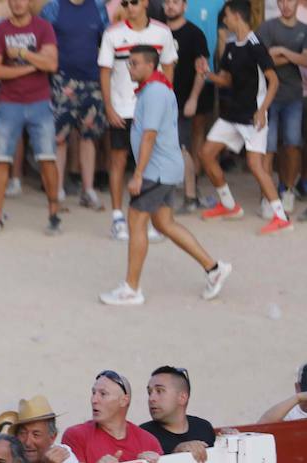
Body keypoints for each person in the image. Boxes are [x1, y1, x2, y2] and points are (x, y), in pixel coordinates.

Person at [99, 44, 230, 306]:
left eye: (134, 63)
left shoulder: (156, 92)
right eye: (129, 62)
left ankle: (131, 289)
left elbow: (149, 136)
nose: (129, 67)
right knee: (164, 224)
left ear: (150, 65)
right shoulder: (152, 89)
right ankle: (214, 269)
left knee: (136, 221)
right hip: (163, 168)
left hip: (156, 171)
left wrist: (137, 175)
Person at [197, 0, 290, 235]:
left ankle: (281, 217)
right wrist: (207, 74)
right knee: (206, 154)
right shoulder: (230, 46)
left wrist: (262, 111)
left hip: (253, 115)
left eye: (226, 16)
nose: (224, 20)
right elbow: (226, 80)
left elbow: (274, 81)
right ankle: (229, 206)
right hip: (232, 114)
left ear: (237, 16)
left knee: (255, 166)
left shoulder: (256, 45)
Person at [98, 0, 175, 243]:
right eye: (124, 3)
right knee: (118, 160)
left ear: (145, 2)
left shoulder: (162, 32)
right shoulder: (112, 33)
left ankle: (149, 217)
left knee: (151, 162)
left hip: (151, 109)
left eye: (133, 2)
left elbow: (168, 68)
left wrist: (166, 103)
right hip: (122, 109)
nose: (129, 6)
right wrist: (109, 107)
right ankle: (117, 217)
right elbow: (105, 72)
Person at [0, 0, 60, 235]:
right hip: (9, 102)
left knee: (47, 159)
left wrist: (22, 53)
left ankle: (54, 214)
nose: (18, 3)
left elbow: (52, 63)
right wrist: (31, 66)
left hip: (39, 101)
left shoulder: (43, 27)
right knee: (0, 160)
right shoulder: (0, 30)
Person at [40, 0, 107, 210]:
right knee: (59, 138)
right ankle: (57, 191)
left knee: (89, 137)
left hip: (92, 82)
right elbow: (42, 42)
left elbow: (106, 42)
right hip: (62, 81)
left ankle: (88, 190)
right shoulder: (53, 8)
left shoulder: (98, 7)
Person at [256, 0, 307, 215]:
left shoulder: (304, 30)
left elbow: (306, 60)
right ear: (277, 3)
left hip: (294, 96)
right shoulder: (267, 27)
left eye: (291, 0)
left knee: (293, 145)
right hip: (268, 96)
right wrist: (293, 57)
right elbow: (262, 60)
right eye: (282, 1)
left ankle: (287, 189)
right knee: (267, 148)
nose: (286, 5)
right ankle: (268, 197)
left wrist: (282, 52)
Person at [61, 370, 163, 463]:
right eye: (93, 393)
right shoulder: (76, 435)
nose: (94, 400)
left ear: (123, 401)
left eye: (103, 394)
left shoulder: (149, 442)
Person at [164, 0, 210, 211]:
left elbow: (202, 70)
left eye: (175, 2)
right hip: (160, 100)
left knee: (181, 147)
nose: (170, 6)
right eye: (167, 2)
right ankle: (166, 195)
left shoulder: (195, 34)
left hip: (182, 101)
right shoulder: (157, 31)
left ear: (185, 6)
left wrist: (193, 98)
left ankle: (191, 197)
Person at [141, 365, 214, 460]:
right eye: (149, 392)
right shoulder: (142, 435)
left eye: (159, 391)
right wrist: (175, 454)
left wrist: (232, 439)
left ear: (182, 398)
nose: (151, 399)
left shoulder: (203, 427)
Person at [9, 395, 76, 463]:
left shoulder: (63, 453)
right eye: (22, 433)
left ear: (52, 437)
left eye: (36, 434)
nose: (28, 442)